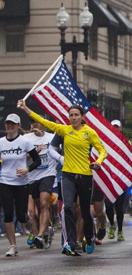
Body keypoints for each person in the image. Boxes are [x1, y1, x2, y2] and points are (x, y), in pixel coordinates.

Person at [18, 101, 107, 256]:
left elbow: (102, 151)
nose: (73, 118)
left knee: (85, 211)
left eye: (76, 115)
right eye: (71, 115)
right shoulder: (64, 130)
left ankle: (90, 236)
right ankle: (70, 244)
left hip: (85, 175)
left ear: (81, 117)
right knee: (67, 208)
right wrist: (25, 108)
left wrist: (98, 163)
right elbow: (44, 121)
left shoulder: (89, 132)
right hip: (67, 175)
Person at [1, 113, 41, 257]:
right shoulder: (1, 142)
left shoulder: (24, 142)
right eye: (7, 123)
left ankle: (35, 230)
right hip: (5, 181)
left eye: (13, 123)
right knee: (8, 214)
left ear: (18, 126)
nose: (9, 126)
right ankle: (12, 245)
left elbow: (37, 161)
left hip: (21, 183)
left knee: (23, 215)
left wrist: (26, 169)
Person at [25, 121, 57, 249]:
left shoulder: (51, 137)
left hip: (47, 175)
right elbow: (22, 157)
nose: (36, 124)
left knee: (44, 203)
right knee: (34, 212)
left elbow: (58, 150)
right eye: (33, 122)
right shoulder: (26, 139)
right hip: (32, 177)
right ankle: (46, 230)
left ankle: (39, 235)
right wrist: (35, 152)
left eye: (38, 122)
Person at [104, 120, 127, 242]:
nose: (115, 129)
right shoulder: (106, 142)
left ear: (121, 128)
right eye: (113, 127)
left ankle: (120, 230)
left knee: (119, 207)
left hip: (121, 179)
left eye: (117, 127)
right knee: (108, 205)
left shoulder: (125, 143)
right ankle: (112, 225)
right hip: (109, 178)